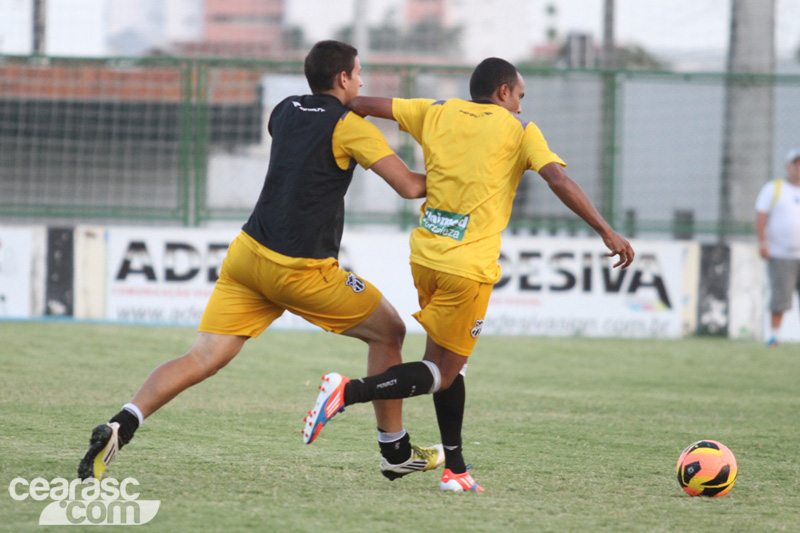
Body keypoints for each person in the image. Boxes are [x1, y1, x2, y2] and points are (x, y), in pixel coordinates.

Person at [79, 40, 445, 482]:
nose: (363, 81)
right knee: (390, 332)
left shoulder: (284, 109)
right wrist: (463, 178)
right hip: (301, 271)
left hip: (248, 257)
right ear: (344, 78)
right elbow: (408, 186)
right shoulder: (350, 127)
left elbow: (310, 135)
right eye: (359, 73)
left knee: (202, 356)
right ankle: (395, 451)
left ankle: (123, 422)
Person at [302, 57, 635, 492]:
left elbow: (359, 104)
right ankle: (347, 392)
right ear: (502, 92)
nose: (519, 106)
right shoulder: (519, 130)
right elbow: (558, 180)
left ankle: (455, 470)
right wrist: (606, 231)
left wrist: (310, 123)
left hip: (425, 256)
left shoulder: (435, 110)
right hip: (467, 268)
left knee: (448, 368)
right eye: (519, 96)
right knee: (441, 370)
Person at [755, 147, 800, 347]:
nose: (798, 168)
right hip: (781, 253)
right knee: (781, 297)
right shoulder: (774, 189)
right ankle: (774, 336)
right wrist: (763, 242)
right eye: (796, 164)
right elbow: (761, 216)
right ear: (788, 166)